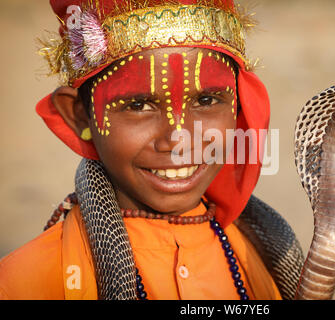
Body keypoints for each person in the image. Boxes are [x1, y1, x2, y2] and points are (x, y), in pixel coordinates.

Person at [0, 0, 302, 300]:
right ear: (79, 116)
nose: (179, 139)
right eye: (138, 105)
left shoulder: (262, 259)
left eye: (207, 101)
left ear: (238, 106)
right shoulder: (24, 284)